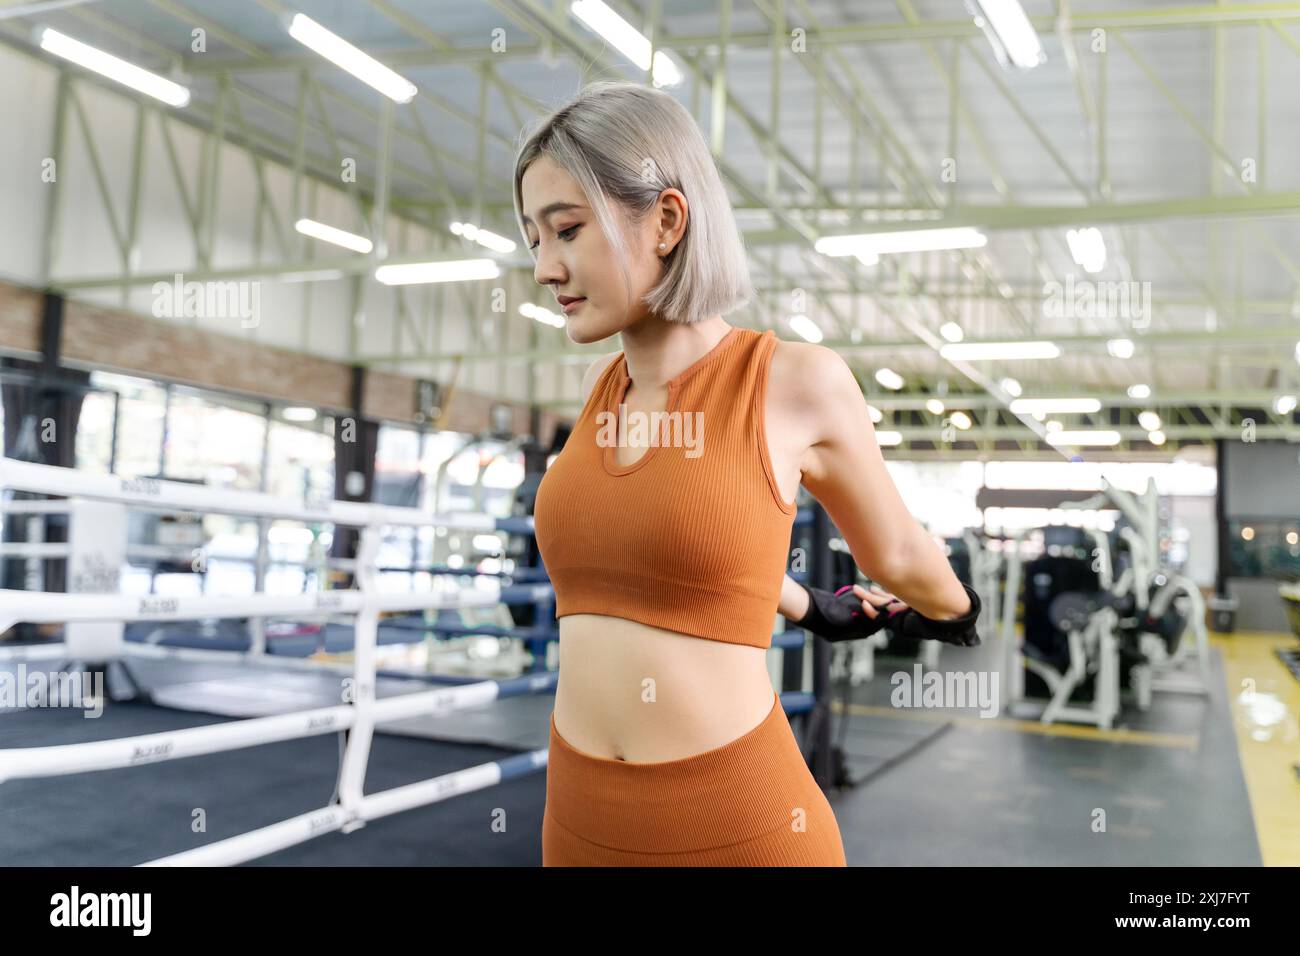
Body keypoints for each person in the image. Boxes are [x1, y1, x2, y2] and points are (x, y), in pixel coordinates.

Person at [514, 82, 979, 867]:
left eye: (566, 230)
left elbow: (895, 553)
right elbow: (669, 550)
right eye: (533, 240)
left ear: (665, 219)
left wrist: (954, 609)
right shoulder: (603, 393)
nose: (543, 268)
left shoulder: (793, 381)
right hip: (579, 824)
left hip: (737, 826)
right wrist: (807, 604)